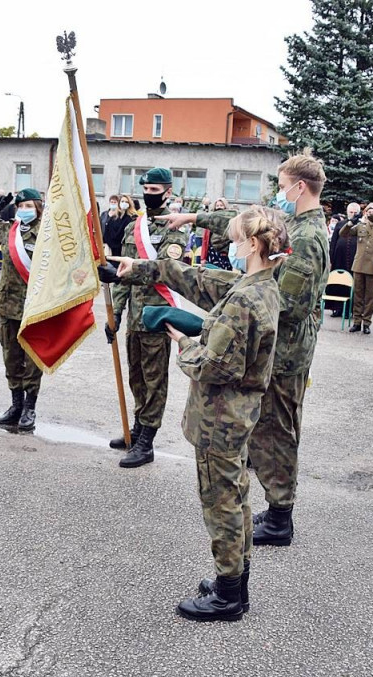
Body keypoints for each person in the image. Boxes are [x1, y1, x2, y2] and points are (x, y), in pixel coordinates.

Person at [108, 206, 289, 622]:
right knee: (237, 499)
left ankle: (228, 598)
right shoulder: (260, 284)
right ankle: (234, 582)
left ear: (254, 245)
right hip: (237, 415)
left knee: (221, 504)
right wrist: (142, 269)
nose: (230, 243)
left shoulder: (246, 298)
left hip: (220, 419)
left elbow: (217, 366)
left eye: (236, 237)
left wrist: (183, 342)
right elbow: (200, 279)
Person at [159, 153, 330, 546]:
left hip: (283, 355)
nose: (279, 191)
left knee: (277, 432)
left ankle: (281, 515)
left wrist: (237, 306)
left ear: (299, 187)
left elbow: (288, 304)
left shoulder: (306, 239)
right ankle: (277, 507)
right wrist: (193, 219)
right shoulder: (297, 225)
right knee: (269, 431)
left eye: (282, 184)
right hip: (276, 349)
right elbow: (249, 225)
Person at [106, 168, 188, 467]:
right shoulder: (133, 228)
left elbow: (165, 268)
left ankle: (147, 441)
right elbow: (122, 276)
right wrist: (115, 311)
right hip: (134, 317)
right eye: (146, 189)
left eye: (155, 190)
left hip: (157, 315)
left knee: (154, 380)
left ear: (167, 192)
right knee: (136, 377)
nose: (148, 194)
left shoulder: (175, 229)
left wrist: (124, 276)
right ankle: (138, 426)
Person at [0, 189, 47, 433]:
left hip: (34, 306)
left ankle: (30, 407)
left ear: (38, 207)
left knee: (32, 360)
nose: (23, 209)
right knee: (11, 357)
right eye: (20, 205)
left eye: (28, 205)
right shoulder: (9, 230)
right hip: (8, 305)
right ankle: (15, 404)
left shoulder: (48, 234)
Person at [339, 202, 373, 333]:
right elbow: (343, 234)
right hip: (359, 265)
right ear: (366, 213)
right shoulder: (360, 226)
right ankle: (357, 321)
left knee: (369, 297)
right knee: (358, 295)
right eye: (370, 212)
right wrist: (351, 222)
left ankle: (366, 323)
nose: (372, 214)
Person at [105, 194, 137, 258]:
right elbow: (107, 232)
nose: (124, 203)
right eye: (122, 201)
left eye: (126, 202)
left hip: (124, 250)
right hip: (111, 250)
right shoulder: (113, 218)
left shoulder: (132, 219)